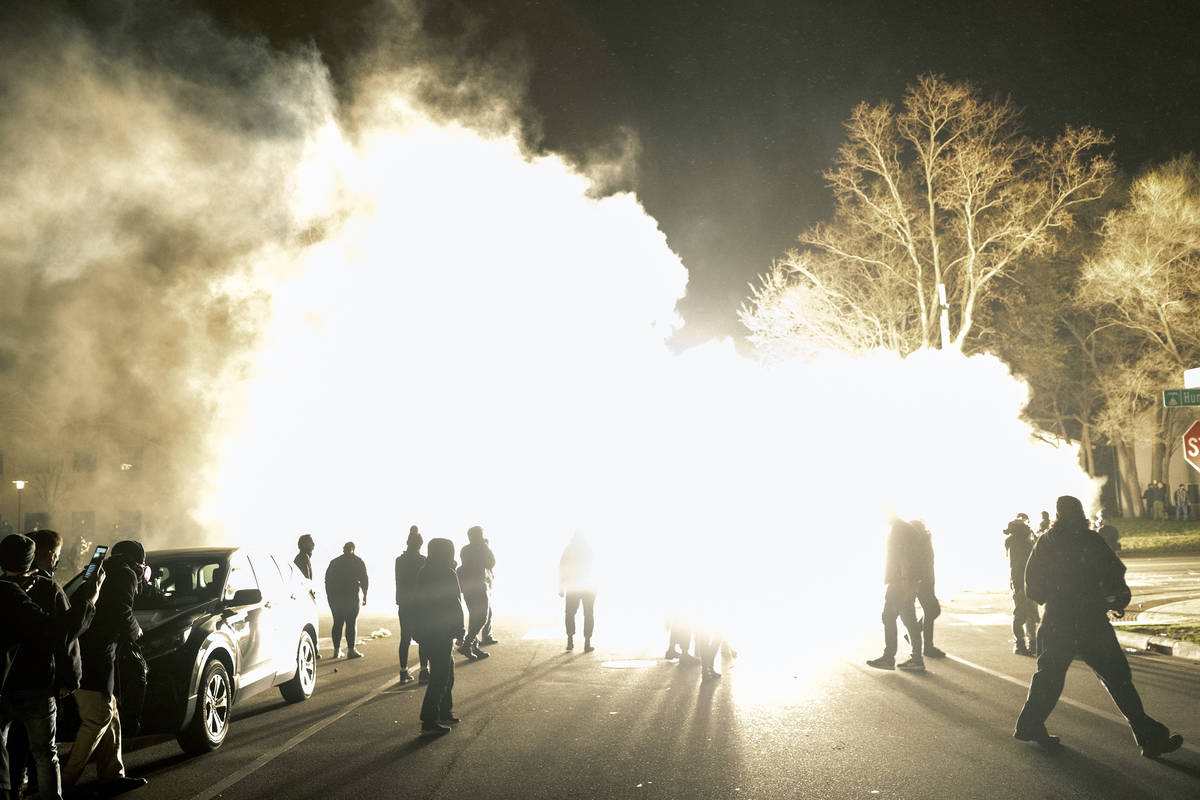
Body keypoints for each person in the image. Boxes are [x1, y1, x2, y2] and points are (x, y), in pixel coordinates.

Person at [1014, 496, 1184, 758]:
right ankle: (1148, 738)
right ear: (1081, 513)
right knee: (1117, 679)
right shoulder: (1090, 540)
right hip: (1091, 620)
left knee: (1049, 677)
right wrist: (1117, 598)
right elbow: (1114, 571)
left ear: (1058, 515)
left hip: (1059, 619)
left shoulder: (1046, 542)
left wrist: (1054, 596)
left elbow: (1033, 585)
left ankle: (1030, 724)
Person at [0, 533, 93, 800]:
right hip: (37, 685)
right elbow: (64, 639)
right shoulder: (47, 589)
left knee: (6, 749)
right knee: (45, 752)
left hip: (5, 687)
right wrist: (70, 679)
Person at [62, 540, 148, 793]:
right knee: (98, 718)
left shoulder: (98, 568)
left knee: (111, 714)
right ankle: (64, 781)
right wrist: (137, 632)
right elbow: (122, 611)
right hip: (94, 657)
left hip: (82, 650)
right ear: (138, 562)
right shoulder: (126, 573)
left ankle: (112, 775)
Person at [413, 538, 465, 736]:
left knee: (445, 672)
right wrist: (460, 631)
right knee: (441, 676)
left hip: (428, 630)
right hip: (442, 631)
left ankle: (444, 711)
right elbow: (455, 603)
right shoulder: (447, 572)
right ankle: (429, 720)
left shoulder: (424, 571)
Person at [867, 513, 924, 671]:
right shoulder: (905, 528)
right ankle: (917, 659)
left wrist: (904, 580)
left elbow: (904, 557)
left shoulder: (899, 530)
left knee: (889, 616)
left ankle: (889, 657)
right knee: (909, 619)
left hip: (900, 582)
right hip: (908, 580)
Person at [395, 526, 430, 683]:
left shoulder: (399, 561)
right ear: (420, 545)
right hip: (420, 605)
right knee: (423, 638)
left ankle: (403, 672)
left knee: (405, 638)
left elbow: (399, 581)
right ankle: (424, 671)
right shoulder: (423, 561)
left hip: (404, 603)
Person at [325, 542, 369, 659]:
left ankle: (336, 650)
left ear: (343, 549)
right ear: (353, 549)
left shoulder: (334, 562)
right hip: (351, 597)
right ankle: (350, 650)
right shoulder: (357, 561)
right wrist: (365, 596)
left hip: (335, 598)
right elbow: (364, 580)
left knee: (337, 623)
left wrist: (329, 596)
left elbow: (327, 580)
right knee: (351, 623)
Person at [456, 527, 494, 662]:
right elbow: (491, 563)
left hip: (467, 587)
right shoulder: (482, 548)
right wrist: (485, 546)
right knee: (483, 618)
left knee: (473, 617)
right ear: (480, 536)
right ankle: (467, 644)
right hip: (479, 586)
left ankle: (474, 647)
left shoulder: (465, 550)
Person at [1004, 514, 1039, 656]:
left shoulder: (1018, 542)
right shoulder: (1016, 544)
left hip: (1027, 583)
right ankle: (1021, 644)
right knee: (1021, 615)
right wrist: (1017, 587)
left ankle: (1031, 643)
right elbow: (1016, 567)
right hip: (1021, 584)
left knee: (1030, 614)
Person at [910, 520, 944, 659]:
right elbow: (917, 564)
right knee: (932, 611)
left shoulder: (923, 541)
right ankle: (927, 647)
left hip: (927, 581)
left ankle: (915, 634)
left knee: (932, 611)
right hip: (923, 582)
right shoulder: (918, 543)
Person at [558, 532, 597, 653]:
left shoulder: (568, 550)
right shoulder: (588, 549)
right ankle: (587, 642)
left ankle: (570, 640)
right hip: (588, 587)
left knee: (570, 613)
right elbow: (595, 568)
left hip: (573, 587)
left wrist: (560, 587)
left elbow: (562, 568)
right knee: (588, 614)